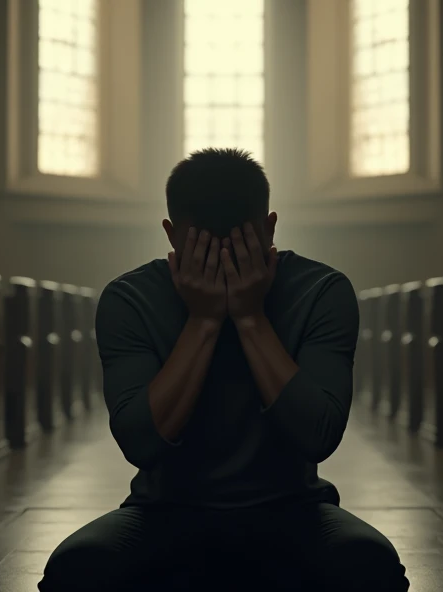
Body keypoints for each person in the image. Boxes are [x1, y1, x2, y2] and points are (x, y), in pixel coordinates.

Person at [39, 148, 409, 591]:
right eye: (203, 249)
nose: (220, 262)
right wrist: (205, 319)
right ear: (172, 237)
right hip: (164, 511)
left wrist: (251, 317)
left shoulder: (321, 290)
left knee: (371, 567)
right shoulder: (129, 298)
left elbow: (319, 436)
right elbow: (139, 443)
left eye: (236, 246)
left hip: (293, 509)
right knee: (75, 571)